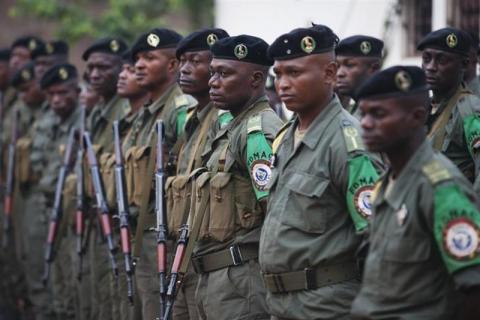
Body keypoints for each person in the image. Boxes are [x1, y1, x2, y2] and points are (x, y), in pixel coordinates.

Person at [259, 25, 382, 320]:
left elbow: (377, 237)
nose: (282, 84)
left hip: (327, 307)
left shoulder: (349, 143)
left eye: (295, 73)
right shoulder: (286, 137)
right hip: (282, 304)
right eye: (278, 75)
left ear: (329, 74)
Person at [351, 65, 480, 320]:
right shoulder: (388, 182)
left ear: (417, 116)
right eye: (364, 114)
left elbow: (473, 287)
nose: (365, 124)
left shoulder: (439, 186)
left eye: (378, 114)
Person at [191, 34, 283, 320]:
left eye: (224, 73)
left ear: (255, 79)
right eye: (212, 73)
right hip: (217, 277)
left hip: (241, 282)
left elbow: (275, 214)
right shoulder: (230, 125)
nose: (213, 82)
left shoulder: (258, 132)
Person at [126, 27, 192, 320]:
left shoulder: (181, 109)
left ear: (172, 65)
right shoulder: (145, 113)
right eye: (138, 58)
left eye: (149, 57)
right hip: (140, 230)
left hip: (162, 233)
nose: (139, 64)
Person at [170, 27, 230, 320]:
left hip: (212, 254)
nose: (185, 68)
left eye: (195, 60)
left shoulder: (226, 120)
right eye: (182, 61)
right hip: (185, 251)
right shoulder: (194, 119)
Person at [82, 36, 129, 320]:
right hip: (98, 219)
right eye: (91, 68)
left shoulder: (123, 112)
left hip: (120, 222)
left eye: (104, 67)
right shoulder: (98, 111)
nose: (95, 74)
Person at [418, 27, 480, 184]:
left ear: (464, 65)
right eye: (426, 59)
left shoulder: (469, 109)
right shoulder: (427, 108)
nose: (431, 67)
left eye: (441, 60)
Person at [335, 35, 383, 117]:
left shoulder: (382, 110)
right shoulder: (355, 107)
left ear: (374, 69)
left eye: (349, 65)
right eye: (338, 66)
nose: (339, 73)